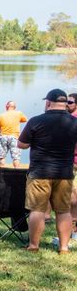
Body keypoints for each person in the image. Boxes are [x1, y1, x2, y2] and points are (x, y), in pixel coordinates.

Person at [17, 89, 77, 254]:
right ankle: (64, 247)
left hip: (40, 173)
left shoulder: (36, 121)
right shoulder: (74, 122)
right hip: (64, 173)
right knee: (63, 211)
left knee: (37, 210)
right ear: (65, 103)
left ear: (48, 102)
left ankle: (34, 245)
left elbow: (21, 144)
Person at [0, 100, 27, 168]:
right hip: (14, 137)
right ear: (15, 107)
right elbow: (25, 120)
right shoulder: (19, 113)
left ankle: (2, 172)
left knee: (2, 156)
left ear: (6, 106)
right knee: (16, 157)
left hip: (3, 136)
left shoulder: (1, 115)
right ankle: (17, 172)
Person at [68, 93, 77, 236]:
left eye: (70, 102)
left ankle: (74, 227)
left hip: (73, 160)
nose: (66, 104)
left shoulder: (72, 120)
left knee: (72, 194)